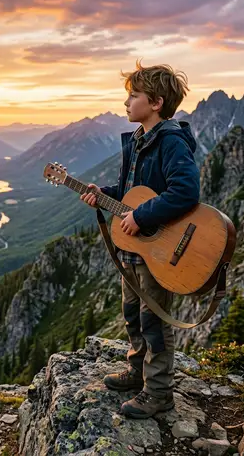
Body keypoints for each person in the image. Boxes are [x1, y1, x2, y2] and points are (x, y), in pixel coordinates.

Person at [80, 60, 200, 419]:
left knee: (155, 320)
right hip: (134, 251)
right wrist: (102, 193)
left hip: (160, 251)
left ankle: (159, 391)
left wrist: (142, 216)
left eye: (133, 96)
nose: (126, 103)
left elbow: (186, 191)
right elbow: (134, 193)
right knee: (132, 313)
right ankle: (137, 371)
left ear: (156, 102)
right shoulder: (136, 141)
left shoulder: (171, 140)